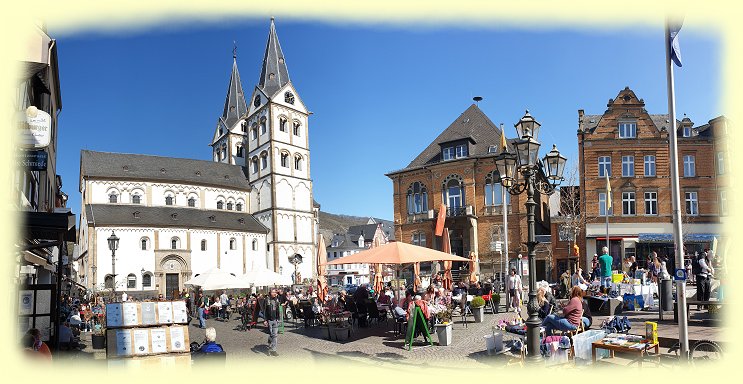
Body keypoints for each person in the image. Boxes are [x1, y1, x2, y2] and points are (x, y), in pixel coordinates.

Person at [262, 288, 281, 356]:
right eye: (273, 292)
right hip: (269, 320)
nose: (274, 293)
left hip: (275, 320)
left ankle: (273, 350)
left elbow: (278, 309)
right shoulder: (266, 300)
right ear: (270, 293)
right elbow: (264, 310)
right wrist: (265, 320)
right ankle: (269, 341)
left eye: (275, 292)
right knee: (271, 335)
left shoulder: (277, 299)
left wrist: (278, 318)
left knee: (275, 335)